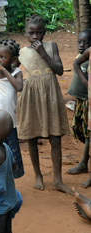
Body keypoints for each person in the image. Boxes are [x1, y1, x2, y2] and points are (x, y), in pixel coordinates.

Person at [17, 15, 72, 194]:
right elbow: (10, 66)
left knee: (55, 137)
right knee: (32, 137)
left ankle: (57, 179)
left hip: (51, 95)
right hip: (32, 95)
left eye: (39, 32)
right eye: (31, 33)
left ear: (44, 33)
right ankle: (38, 175)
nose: (35, 36)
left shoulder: (51, 46)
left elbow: (59, 69)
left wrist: (43, 53)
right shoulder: (21, 52)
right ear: (25, 33)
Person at [0, 38, 24, 179]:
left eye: (3, 57)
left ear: (13, 59)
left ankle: (10, 185)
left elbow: (19, 87)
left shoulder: (16, 73)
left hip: (10, 124)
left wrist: (4, 70)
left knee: (12, 155)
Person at [66, 29, 91, 176]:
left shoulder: (88, 59)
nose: (82, 45)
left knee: (88, 133)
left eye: (86, 42)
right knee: (80, 130)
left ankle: (83, 163)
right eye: (79, 42)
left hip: (88, 102)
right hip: (81, 101)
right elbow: (76, 65)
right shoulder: (81, 57)